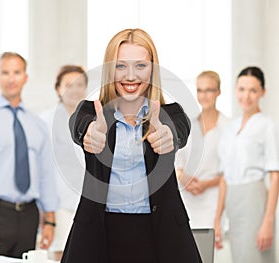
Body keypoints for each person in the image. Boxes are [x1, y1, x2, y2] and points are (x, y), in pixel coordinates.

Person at [61, 28, 202, 263]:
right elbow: (80, 124)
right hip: (100, 234)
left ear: (152, 69)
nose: (130, 76)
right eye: (120, 66)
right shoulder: (91, 112)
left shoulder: (171, 114)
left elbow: (180, 129)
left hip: (159, 235)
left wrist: (169, 136)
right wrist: (89, 134)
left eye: (140, 66)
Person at [0, 52, 58, 258]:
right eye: (5, 72)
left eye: (17, 72)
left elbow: (46, 174)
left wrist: (49, 220)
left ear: (25, 77)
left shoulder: (37, 125)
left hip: (28, 216)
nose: (11, 78)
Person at [214, 66, 279, 262]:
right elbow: (224, 177)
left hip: (255, 201)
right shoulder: (229, 128)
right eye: (242, 89)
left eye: (253, 90)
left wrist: (268, 221)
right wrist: (218, 219)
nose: (246, 96)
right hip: (233, 202)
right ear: (235, 90)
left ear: (262, 92)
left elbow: (275, 175)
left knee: (256, 257)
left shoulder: (268, 125)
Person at [40, 65, 88, 253]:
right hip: (59, 204)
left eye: (79, 84)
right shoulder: (46, 120)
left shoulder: (95, 118)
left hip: (88, 201)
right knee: (62, 253)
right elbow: (42, 168)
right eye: (69, 85)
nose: (75, 90)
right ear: (58, 89)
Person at [176, 70, 229, 229]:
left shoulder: (228, 127)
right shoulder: (188, 125)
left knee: (207, 249)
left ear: (218, 92)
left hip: (212, 201)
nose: (204, 95)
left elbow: (227, 174)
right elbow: (178, 164)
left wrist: (205, 184)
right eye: (200, 90)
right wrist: (184, 178)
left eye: (209, 90)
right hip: (187, 199)